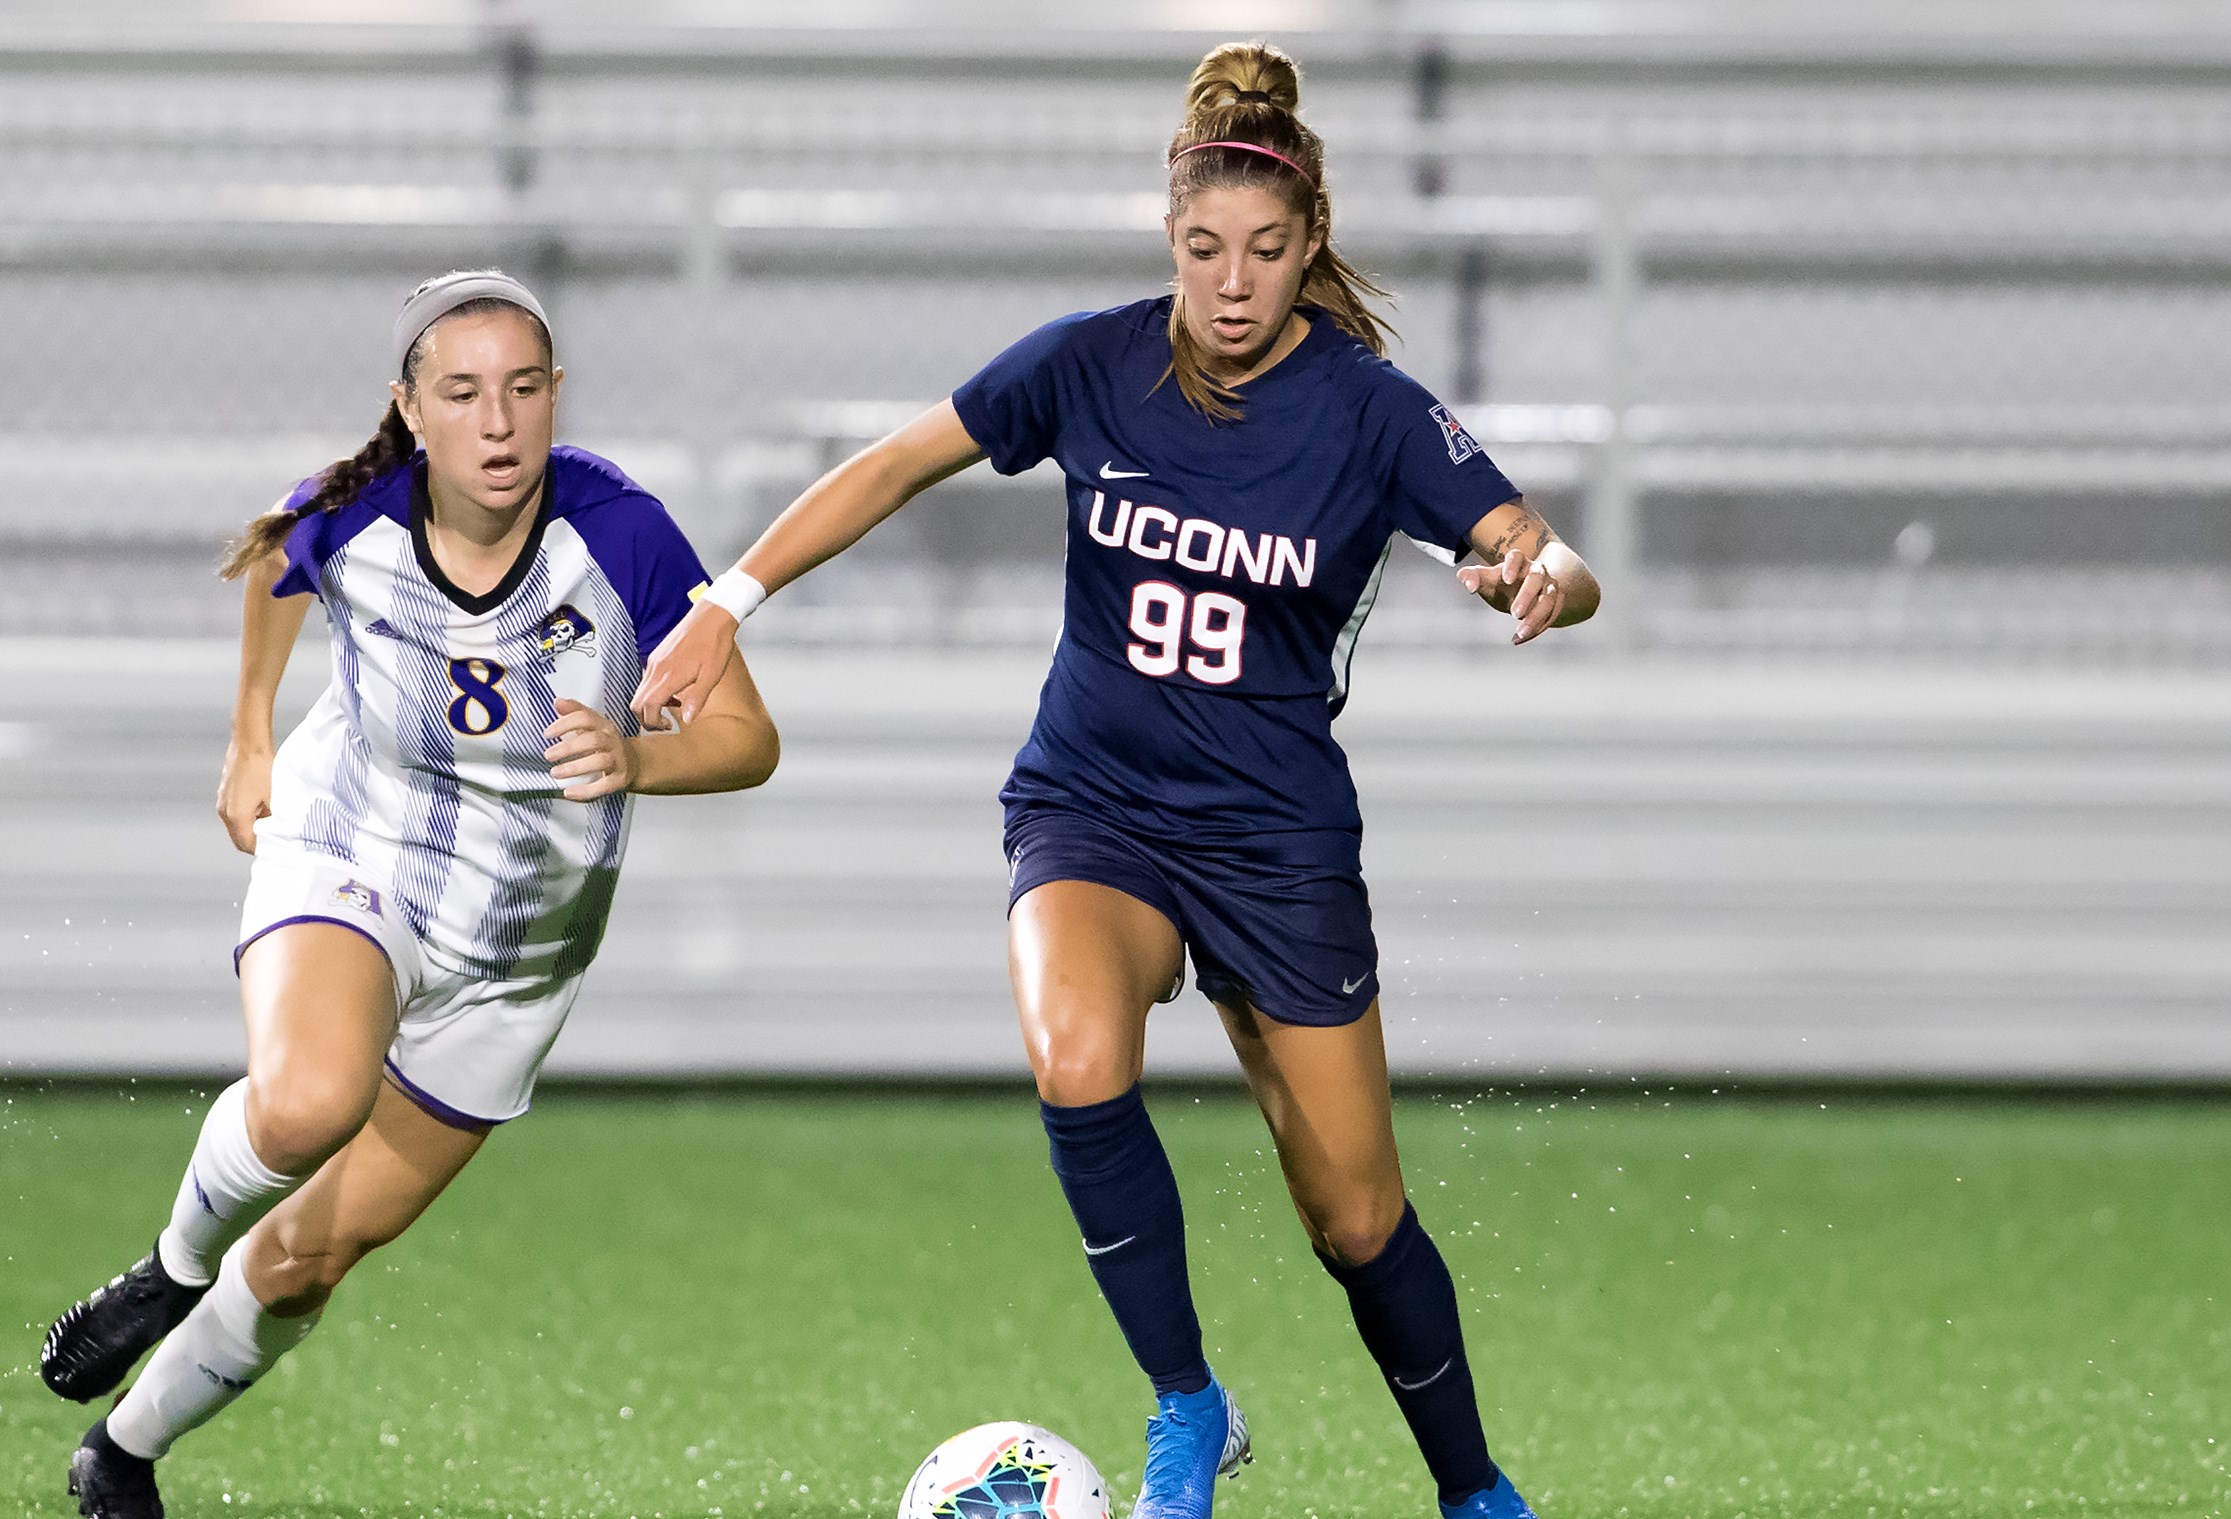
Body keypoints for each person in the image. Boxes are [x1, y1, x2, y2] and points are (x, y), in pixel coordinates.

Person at [633, 43, 1595, 1519]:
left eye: (1265, 252)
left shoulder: (1373, 412)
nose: (1231, 281)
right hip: (1094, 802)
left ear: (1309, 246)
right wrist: (724, 601)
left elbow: (1538, 542)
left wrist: (1548, 578)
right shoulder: (1092, 362)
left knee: (1354, 1214)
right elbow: (895, 462)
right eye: (1204, 247)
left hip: (1276, 842)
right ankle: (1189, 1407)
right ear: (1170, 237)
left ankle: (1473, 1487)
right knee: (1076, 1056)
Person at [36, 269, 780, 1519]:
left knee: (312, 1256)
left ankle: (122, 1451)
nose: (498, 423)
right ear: (412, 409)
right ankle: (168, 1268)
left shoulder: (626, 536)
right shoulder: (359, 510)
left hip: (522, 950)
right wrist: (251, 735)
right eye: (464, 393)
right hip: (358, 847)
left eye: (525, 390)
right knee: (311, 1099)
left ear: (556, 400)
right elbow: (280, 552)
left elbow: (750, 735)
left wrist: (642, 755)